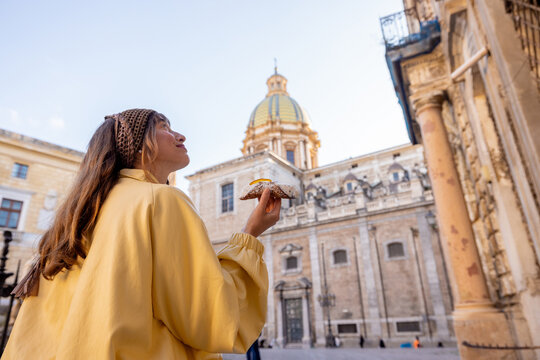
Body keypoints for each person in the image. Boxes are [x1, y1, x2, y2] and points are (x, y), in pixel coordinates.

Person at [2, 109, 281, 360]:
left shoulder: (76, 221)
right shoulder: (161, 201)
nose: (180, 135)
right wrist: (250, 235)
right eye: (164, 127)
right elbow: (213, 318)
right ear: (137, 146)